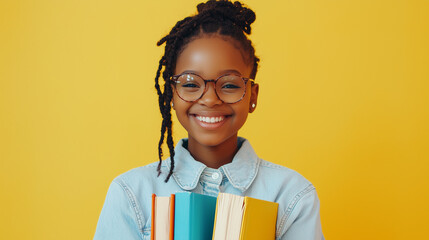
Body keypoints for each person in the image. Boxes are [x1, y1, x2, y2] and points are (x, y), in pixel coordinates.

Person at [94, 0, 324, 239]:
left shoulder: (292, 195)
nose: (211, 99)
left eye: (230, 85)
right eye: (191, 84)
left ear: (252, 97)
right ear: (171, 95)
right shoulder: (131, 194)